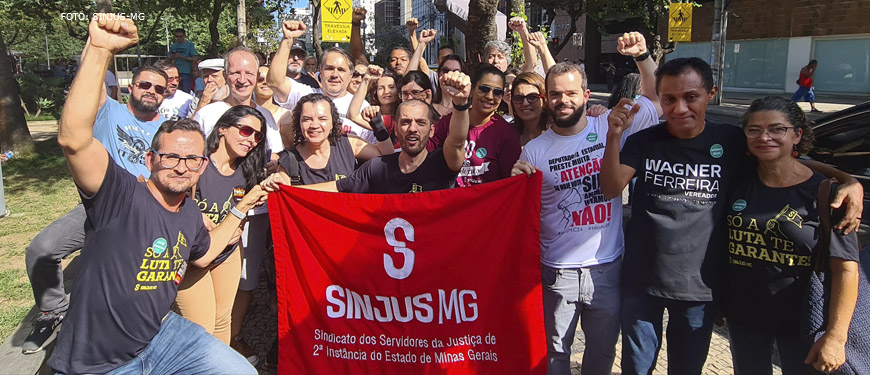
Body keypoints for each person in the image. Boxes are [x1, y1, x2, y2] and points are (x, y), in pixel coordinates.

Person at [599, 57, 864, 375]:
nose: (680, 108)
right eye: (669, 99)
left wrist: (849, 181)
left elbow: (785, 162)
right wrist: (615, 136)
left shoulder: (732, 141)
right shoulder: (645, 141)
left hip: (701, 287)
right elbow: (612, 188)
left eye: (691, 97)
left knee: (686, 368)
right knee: (636, 367)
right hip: (642, 282)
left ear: (710, 94)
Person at [48, 14, 258, 374]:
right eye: (171, 156)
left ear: (202, 165)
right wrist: (99, 50)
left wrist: (242, 207)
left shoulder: (190, 213)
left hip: (161, 337)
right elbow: (74, 140)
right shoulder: (119, 195)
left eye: (191, 158)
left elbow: (205, 254)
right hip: (99, 361)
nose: (181, 167)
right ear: (149, 159)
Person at [510, 32, 662, 375]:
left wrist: (643, 56)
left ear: (586, 95)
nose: (563, 100)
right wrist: (515, 178)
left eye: (570, 93)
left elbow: (657, 98)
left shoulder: (609, 125)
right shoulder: (534, 150)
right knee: (555, 355)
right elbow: (520, 210)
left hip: (607, 268)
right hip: (556, 271)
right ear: (547, 100)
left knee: (602, 352)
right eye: (556, 95)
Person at [22, 59, 169, 354]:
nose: (151, 91)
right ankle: (52, 311)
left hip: (142, 212)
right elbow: (92, 81)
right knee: (41, 250)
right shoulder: (108, 110)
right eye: (144, 85)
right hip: (98, 206)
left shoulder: (166, 127)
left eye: (159, 88)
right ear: (131, 87)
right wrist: (98, 45)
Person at [724, 96, 859, 374]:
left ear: (797, 135)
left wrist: (835, 337)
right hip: (744, 319)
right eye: (754, 129)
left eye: (777, 129)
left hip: (805, 323)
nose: (765, 137)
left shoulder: (827, 194)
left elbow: (846, 270)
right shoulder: (738, 178)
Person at [261, 71, 472, 194]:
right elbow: (338, 187)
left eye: (420, 122)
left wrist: (461, 104)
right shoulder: (377, 168)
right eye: (405, 122)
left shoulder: (443, 162)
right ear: (396, 129)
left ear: (432, 128)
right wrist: (289, 189)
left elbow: (456, 141)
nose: (413, 128)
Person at [177, 106, 269, 352]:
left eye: (257, 136)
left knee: (222, 321)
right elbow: (169, 204)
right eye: (246, 130)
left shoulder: (246, 169)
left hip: (228, 254)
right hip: (192, 259)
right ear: (222, 129)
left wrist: (239, 226)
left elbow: (236, 210)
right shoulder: (197, 163)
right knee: (200, 328)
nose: (251, 140)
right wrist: (196, 216)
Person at [268, 20, 376, 143]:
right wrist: (287, 40)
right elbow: (275, 82)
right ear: (321, 71)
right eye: (329, 68)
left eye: (341, 70)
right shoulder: (305, 95)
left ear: (350, 75)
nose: (335, 74)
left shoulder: (362, 107)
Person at [427, 64, 521, 187]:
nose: (489, 97)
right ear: (471, 90)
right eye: (484, 89)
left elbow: (508, 182)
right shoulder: (447, 123)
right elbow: (426, 161)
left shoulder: (507, 133)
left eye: (497, 92)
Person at [509, 72, 549, 145]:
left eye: (532, 97)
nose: (525, 103)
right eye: (519, 98)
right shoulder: (508, 135)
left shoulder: (558, 134)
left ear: (544, 100)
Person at [169, 28, 198, 93]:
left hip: (186, 72)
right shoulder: (174, 46)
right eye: (177, 37)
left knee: (186, 90)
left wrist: (182, 57)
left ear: (184, 36)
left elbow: (195, 59)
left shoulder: (190, 45)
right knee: (174, 90)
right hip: (175, 72)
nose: (179, 38)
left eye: (180, 36)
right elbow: (169, 58)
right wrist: (172, 57)